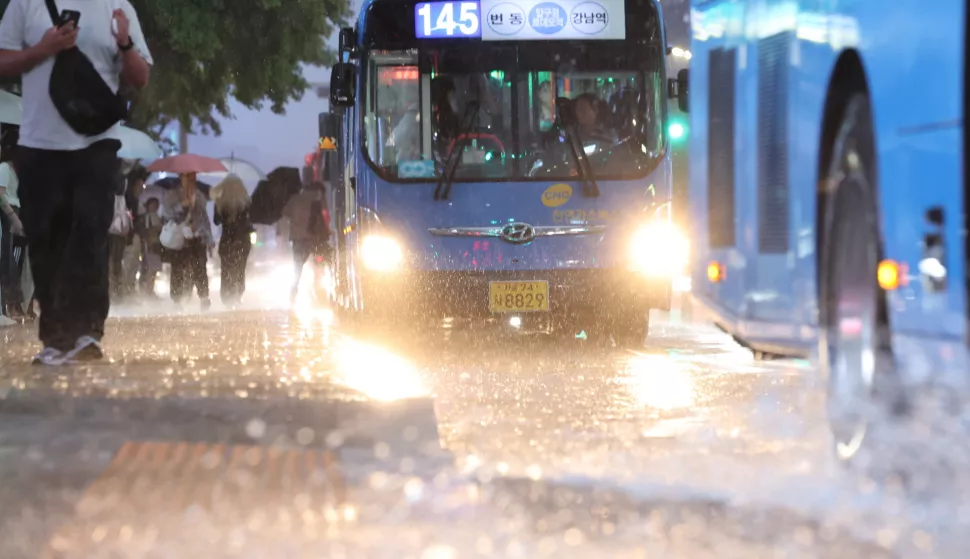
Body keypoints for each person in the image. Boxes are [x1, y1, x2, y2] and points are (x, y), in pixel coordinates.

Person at [0, 0, 152, 365]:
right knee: (46, 240)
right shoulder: (26, 4)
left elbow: (140, 77)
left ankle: (87, 332)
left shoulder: (116, 7)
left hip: (96, 144)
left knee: (89, 233)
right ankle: (56, 338)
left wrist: (126, 44)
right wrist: (43, 49)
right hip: (39, 145)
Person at [164, 173, 212, 310]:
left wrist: (207, 236)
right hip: (179, 237)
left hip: (196, 236)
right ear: (181, 177)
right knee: (178, 268)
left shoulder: (199, 195)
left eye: (193, 176)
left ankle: (203, 297)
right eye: (187, 176)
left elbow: (204, 217)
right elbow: (167, 214)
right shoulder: (172, 194)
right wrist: (182, 205)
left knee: (199, 266)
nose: (191, 179)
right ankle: (177, 300)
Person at [282, 180, 330, 305]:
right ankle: (320, 289)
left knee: (297, 268)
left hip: (298, 239)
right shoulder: (317, 200)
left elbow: (285, 214)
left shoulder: (295, 200)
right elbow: (324, 215)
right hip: (314, 239)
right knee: (319, 262)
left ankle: (293, 291)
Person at [212, 174, 253, 307]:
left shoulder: (220, 202)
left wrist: (218, 206)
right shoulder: (246, 201)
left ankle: (227, 296)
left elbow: (216, 221)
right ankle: (238, 295)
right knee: (240, 268)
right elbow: (249, 220)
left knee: (226, 269)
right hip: (242, 239)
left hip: (227, 240)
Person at [0, 127, 26, 321]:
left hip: (15, 215)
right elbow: (1, 195)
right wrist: (13, 217)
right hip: (7, 216)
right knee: (8, 261)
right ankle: (10, 305)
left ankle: (16, 304)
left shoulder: (17, 171)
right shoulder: (4, 169)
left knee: (15, 262)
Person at [138, 197, 162, 297]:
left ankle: (149, 289)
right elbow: (147, 231)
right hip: (151, 245)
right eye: (152, 205)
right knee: (150, 268)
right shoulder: (148, 217)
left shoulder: (155, 216)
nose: (154, 207)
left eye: (156, 205)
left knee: (153, 269)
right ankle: (148, 290)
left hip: (155, 245)